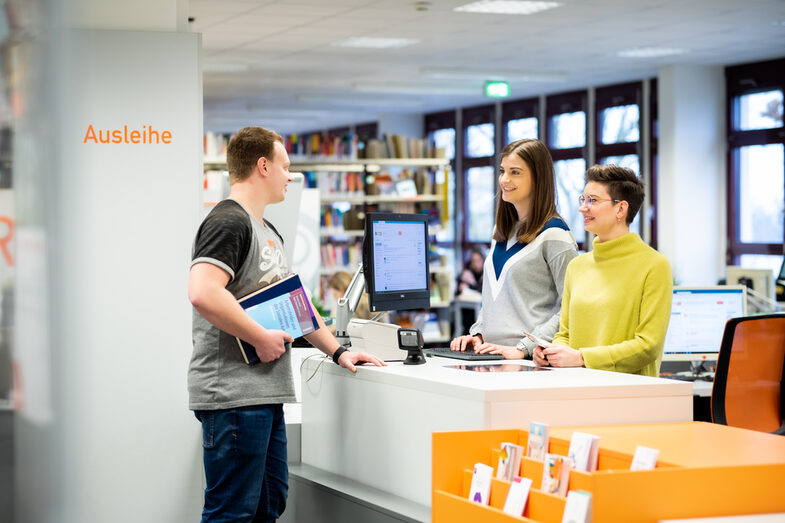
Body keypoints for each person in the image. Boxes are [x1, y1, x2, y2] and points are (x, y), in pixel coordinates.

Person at [187, 126, 385, 522]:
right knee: (233, 514)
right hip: (234, 396)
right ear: (262, 166)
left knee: (268, 504)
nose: (290, 177)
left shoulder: (266, 229)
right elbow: (204, 292)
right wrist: (259, 337)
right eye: (285, 167)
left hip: (263, 394)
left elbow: (294, 305)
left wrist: (339, 351)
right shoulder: (228, 221)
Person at [534, 164, 672, 377]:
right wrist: (552, 352)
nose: (583, 208)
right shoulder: (577, 266)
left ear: (621, 209)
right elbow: (564, 334)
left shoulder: (654, 266)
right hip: (576, 389)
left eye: (593, 201)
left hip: (629, 396)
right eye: (583, 200)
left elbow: (648, 346)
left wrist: (581, 358)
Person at [450, 139, 579, 359]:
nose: (505, 180)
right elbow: (495, 301)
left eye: (515, 172)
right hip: (491, 356)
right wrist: (479, 333)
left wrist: (522, 348)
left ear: (538, 178)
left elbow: (570, 307)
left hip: (531, 362)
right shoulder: (501, 231)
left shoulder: (555, 234)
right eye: (502, 171)